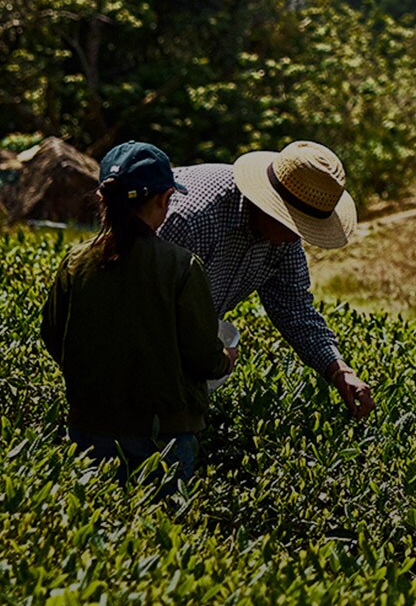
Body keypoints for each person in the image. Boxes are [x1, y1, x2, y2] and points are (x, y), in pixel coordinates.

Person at [39, 141, 235, 490]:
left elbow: (54, 337)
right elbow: (203, 357)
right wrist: (226, 359)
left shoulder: (76, 262)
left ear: (103, 199)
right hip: (166, 434)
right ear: (164, 199)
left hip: (90, 426)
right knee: (162, 532)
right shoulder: (182, 265)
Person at [161, 142, 375, 420]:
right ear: (270, 203)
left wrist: (339, 371)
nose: (299, 237)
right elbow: (139, 306)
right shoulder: (191, 218)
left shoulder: (284, 238)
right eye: (295, 223)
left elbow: (295, 308)